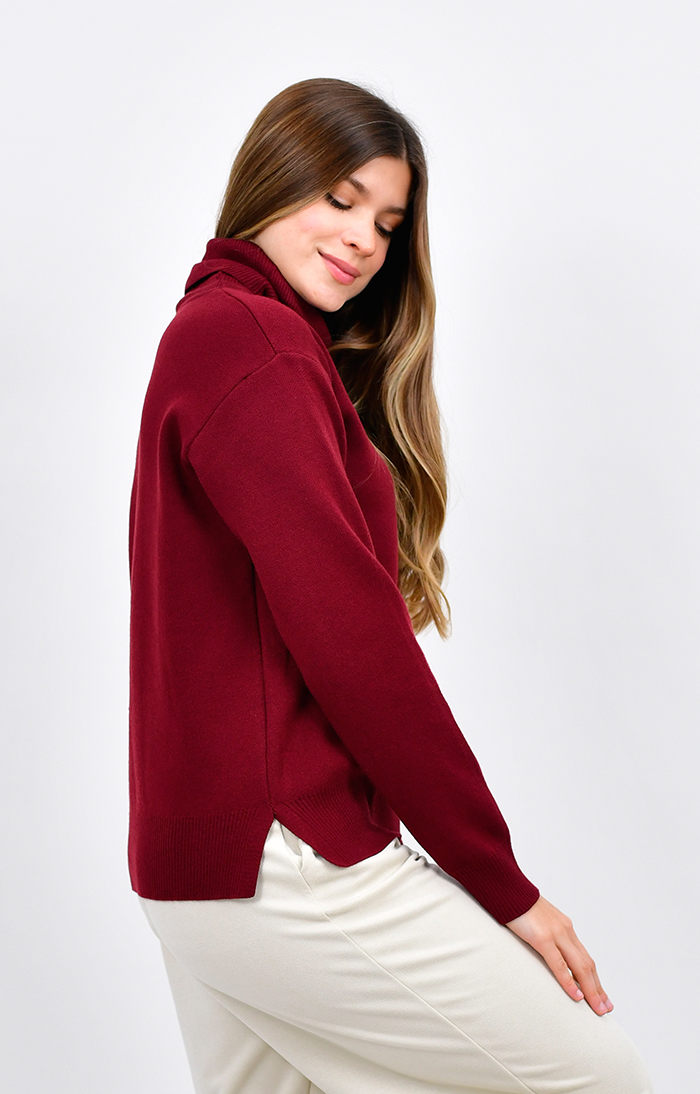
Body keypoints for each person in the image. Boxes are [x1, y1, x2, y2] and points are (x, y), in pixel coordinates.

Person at [129, 78, 652, 1094]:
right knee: (599, 1078)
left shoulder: (218, 334)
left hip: (200, 872)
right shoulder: (253, 341)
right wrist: (501, 883)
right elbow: (354, 643)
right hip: (283, 858)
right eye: (339, 198)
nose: (362, 239)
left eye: (386, 222)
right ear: (271, 180)